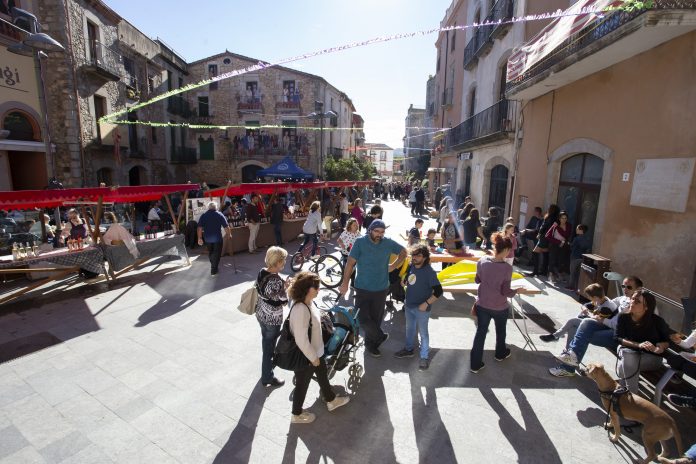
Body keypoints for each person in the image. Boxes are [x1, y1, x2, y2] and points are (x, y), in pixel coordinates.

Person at [549, 276, 643, 377]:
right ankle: (570, 360)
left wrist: (603, 320)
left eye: (629, 287)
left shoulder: (638, 305)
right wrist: (587, 306)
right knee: (579, 323)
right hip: (609, 327)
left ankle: (568, 365)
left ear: (639, 289)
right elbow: (606, 302)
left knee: (581, 332)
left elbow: (618, 325)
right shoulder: (623, 298)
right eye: (623, 286)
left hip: (620, 336)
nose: (625, 289)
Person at [338, 219, 407, 357]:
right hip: (362, 288)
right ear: (370, 230)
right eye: (376, 231)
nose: (379, 234)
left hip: (381, 289)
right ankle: (379, 336)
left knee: (375, 319)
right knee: (362, 318)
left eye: (382, 232)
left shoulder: (388, 242)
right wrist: (345, 283)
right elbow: (350, 264)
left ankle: (371, 345)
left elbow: (404, 252)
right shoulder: (360, 243)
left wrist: (393, 265)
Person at [289, 272, 350, 423]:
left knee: (322, 376)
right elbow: (301, 340)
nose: (319, 290)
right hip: (308, 356)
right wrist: (313, 358)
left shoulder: (309, 302)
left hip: (317, 352)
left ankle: (331, 400)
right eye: (316, 287)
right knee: (302, 384)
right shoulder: (300, 309)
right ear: (308, 289)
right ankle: (296, 414)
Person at [470, 233, 530, 373]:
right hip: (499, 307)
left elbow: (477, 280)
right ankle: (500, 354)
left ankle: (475, 364)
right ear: (505, 250)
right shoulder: (507, 268)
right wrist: (517, 290)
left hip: (482, 304)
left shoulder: (483, 260)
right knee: (500, 331)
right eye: (509, 250)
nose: (509, 253)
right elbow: (506, 292)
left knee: (480, 333)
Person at [394, 244, 443, 370]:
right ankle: (409, 349)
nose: (414, 257)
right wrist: (404, 281)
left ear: (425, 258)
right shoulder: (411, 266)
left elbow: (438, 291)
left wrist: (426, 304)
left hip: (422, 309)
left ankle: (424, 357)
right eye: (413, 255)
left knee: (423, 333)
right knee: (409, 329)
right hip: (409, 305)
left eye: (418, 255)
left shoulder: (429, 272)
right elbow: (409, 279)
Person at [614, 289, 670, 393]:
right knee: (628, 356)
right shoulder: (623, 317)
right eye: (632, 299)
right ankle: (631, 395)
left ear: (647, 307)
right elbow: (618, 338)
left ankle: (626, 394)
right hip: (628, 353)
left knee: (623, 367)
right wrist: (638, 345)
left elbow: (667, 342)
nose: (632, 302)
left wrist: (659, 347)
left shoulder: (657, 321)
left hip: (651, 358)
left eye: (637, 301)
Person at [256, 247, 289, 388]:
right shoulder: (276, 280)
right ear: (278, 262)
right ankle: (267, 377)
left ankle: (267, 368)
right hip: (272, 319)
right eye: (283, 261)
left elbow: (265, 293)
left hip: (261, 314)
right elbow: (282, 301)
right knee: (269, 348)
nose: (285, 263)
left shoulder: (262, 271)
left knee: (266, 341)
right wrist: (286, 287)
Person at [540, 283, 617, 343]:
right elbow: (585, 305)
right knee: (573, 326)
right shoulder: (599, 299)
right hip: (596, 322)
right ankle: (567, 351)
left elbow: (600, 321)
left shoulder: (606, 307)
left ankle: (556, 336)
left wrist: (588, 315)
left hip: (603, 327)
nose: (589, 298)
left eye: (589, 297)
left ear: (595, 297)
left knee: (573, 321)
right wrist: (585, 309)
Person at [197, 202, 231, 276]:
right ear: (216, 207)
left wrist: (199, 238)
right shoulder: (220, 214)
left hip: (207, 238)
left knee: (211, 252)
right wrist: (229, 234)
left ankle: (214, 266)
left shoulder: (204, 215)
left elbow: (199, 228)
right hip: (217, 238)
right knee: (217, 253)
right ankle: (214, 269)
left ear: (209, 208)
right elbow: (226, 226)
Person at [527, 204, 560, 277]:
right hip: (550, 238)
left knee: (535, 252)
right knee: (545, 254)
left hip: (544, 237)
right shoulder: (557, 219)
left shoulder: (548, 217)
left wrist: (539, 233)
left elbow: (543, 226)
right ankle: (544, 271)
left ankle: (535, 271)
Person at [546, 210, 572, 284]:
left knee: (562, 260)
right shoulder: (555, 225)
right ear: (559, 218)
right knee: (552, 260)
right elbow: (547, 236)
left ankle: (560, 274)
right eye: (562, 218)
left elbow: (568, 235)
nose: (564, 220)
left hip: (563, 245)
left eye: (565, 218)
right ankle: (551, 275)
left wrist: (564, 242)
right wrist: (559, 242)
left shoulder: (569, 225)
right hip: (554, 244)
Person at [566, 224, 591, 291]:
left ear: (581, 230)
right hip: (582, 258)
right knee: (579, 274)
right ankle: (578, 288)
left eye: (577, 229)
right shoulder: (587, 238)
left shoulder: (576, 238)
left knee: (572, 272)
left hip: (575, 257)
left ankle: (571, 286)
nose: (576, 230)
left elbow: (572, 247)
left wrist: (568, 244)